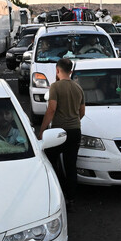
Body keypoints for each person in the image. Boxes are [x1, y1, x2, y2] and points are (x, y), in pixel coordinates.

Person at [37, 58, 84, 211]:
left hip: (59, 132)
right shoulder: (78, 88)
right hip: (75, 131)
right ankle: (72, 200)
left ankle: (56, 194)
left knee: (50, 161)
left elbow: (51, 109)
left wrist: (42, 130)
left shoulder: (55, 87)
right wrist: (73, 121)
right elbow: (82, 112)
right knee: (71, 166)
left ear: (57, 70)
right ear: (71, 71)